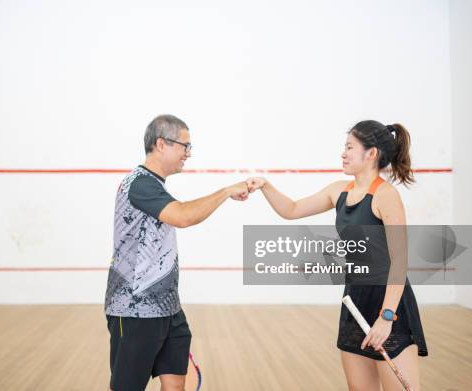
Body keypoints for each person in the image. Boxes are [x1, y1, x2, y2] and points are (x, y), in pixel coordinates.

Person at [247, 120, 428, 390]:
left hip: (389, 306)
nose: (343, 154)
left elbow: (399, 261)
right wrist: (265, 185)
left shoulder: (385, 196)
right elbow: (292, 209)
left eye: (349, 147)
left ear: (371, 154)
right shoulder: (338, 192)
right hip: (355, 302)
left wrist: (386, 316)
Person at [104, 114, 249, 391]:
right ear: (162, 143)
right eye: (185, 145)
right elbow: (182, 216)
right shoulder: (139, 183)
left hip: (168, 309)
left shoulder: (154, 185)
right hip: (134, 310)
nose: (188, 153)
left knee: (175, 385)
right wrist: (226, 191)